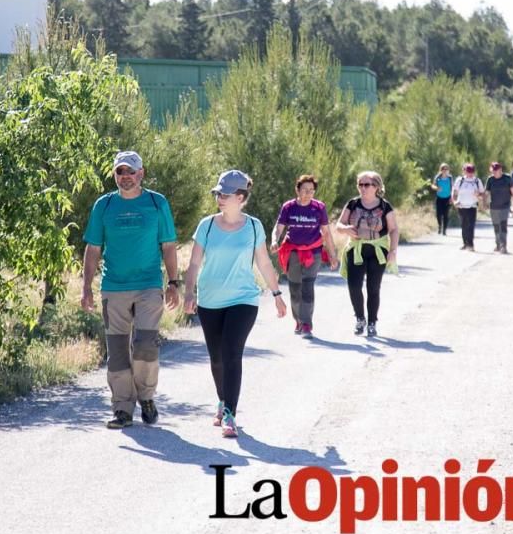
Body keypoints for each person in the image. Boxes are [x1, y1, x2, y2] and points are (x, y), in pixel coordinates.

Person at [183, 170, 287, 439]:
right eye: (218, 193)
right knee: (216, 357)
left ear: (240, 197)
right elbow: (194, 263)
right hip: (210, 300)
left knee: (231, 353)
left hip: (243, 299)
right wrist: (188, 293)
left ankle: (230, 413)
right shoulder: (206, 225)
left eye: (225, 194)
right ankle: (222, 399)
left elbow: (264, 262)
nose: (219, 198)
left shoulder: (253, 226)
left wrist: (276, 294)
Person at [82, 151, 180, 430]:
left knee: (146, 345)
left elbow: (169, 246)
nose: (125, 177)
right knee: (117, 352)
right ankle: (123, 408)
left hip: (149, 285)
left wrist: (173, 283)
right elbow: (93, 248)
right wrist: (86, 287)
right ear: (114, 175)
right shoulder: (104, 205)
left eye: (130, 172)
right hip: (114, 287)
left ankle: (146, 396)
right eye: (119, 172)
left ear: (141, 174)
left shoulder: (156, 202)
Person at [270, 174, 339, 339]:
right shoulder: (289, 207)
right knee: (295, 288)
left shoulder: (319, 207)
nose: (307, 193)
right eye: (304, 190)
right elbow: (279, 227)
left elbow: (326, 233)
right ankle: (298, 321)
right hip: (293, 251)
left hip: (313, 252)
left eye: (311, 190)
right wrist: (274, 240)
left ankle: (307, 324)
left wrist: (332, 255)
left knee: (307, 287)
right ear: (297, 190)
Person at [336, 171, 399, 337]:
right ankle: (360, 318)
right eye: (360, 184)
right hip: (356, 249)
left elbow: (393, 229)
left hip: (377, 250)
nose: (362, 188)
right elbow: (339, 224)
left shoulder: (385, 206)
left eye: (366, 184)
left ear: (376, 187)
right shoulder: (353, 204)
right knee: (354, 286)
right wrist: (345, 229)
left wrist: (392, 251)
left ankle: (372, 323)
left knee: (373, 288)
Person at [483, 162, 513, 254]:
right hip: (493, 207)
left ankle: (503, 246)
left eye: (495, 171)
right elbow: (486, 193)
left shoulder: (508, 179)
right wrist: (484, 203)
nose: (494, 173)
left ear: (500, 170)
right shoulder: (490, 179)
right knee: (496, 227)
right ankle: (498, 244)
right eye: (492, 171)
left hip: (505, 206)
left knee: (503, 225)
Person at [452, 163, 483, 252]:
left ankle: (471, 244)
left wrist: (478, 195)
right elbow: (455, 191)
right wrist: (454, 201)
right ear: (464, 171)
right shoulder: (460, 180)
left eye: (471, 172)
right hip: (461, 206)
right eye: (468, 171)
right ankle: (465, 243)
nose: (470, 174)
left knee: (471, 226)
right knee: (463, 225)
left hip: (472, 206)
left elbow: (482, 194)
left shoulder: (477, 181)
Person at [430, 163, 454, 235]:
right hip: (439, 198)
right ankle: (440, 226)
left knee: (446, 214)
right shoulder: (438, 177)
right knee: (438, 214)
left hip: (447, 198)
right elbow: (433, 185)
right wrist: (437, 188)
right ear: (440, 170)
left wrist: (452, 198)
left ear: (448, 170)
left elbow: (452, 187)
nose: (444, 170)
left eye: (446, 169)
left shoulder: (450, 178)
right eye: (443, 169)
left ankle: (444, 230)